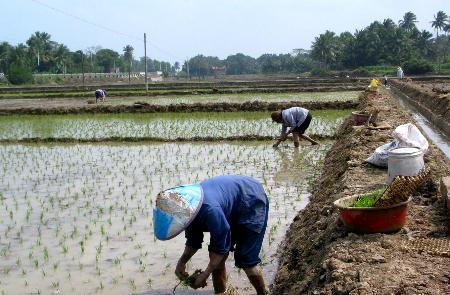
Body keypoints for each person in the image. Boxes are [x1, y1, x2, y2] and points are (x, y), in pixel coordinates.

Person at [153, 175, 269, 295]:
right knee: (216, 258)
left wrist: (205, 274)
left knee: (246, 259)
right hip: (228, 205)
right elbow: (193, 241)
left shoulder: (209, 210)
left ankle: (263, 293)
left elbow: (220, 248)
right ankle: (221, 292)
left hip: (251, 200)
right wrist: (181, 263)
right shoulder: (187, 211)